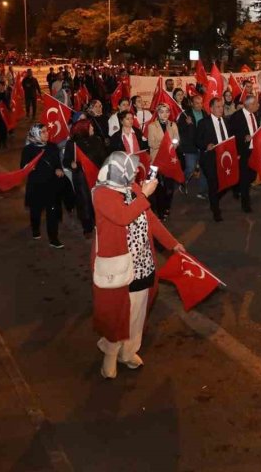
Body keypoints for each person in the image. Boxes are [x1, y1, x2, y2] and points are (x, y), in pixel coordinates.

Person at [91, 152, 184, 379]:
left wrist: (172, 244)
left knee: (137, 311)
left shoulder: (131, 188)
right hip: (117, 264)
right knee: (117, 312)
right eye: (130, 170)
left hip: (142, 262)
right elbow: (122, 216)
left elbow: (150, 219)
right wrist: (144, 194)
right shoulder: (101, 193)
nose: (134, 174)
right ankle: (111, 355)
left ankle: (128, 351)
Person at [22, 124, 66, 248]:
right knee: (35, 211)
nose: (46, 133)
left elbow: (57, 163)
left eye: (47, 131)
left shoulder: (52, 147)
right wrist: (29, 168)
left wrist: (58, 169)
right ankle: (35, 229)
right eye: (42, 132)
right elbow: (23, 167)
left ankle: (53, 238)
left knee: (52, 211)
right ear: (35, 134)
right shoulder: (28, 150)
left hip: (51, 185)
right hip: (36, 186)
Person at [63, 119, 107, 237]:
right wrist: (71, 163)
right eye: (90, 127)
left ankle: (100, 222)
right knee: (84, 202)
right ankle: (87, 226)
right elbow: (65, 161)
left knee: (98, 200)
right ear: (83, 129)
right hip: (81, 178)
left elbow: (104, 157)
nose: (93, 128)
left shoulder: (97, 140)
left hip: (97, 175)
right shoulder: (72, 144)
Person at [196, 97, 230, 222]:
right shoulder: (203, 123)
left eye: (222, 106)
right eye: (218, 107)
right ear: (211, 109)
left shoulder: (226, 121)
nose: (221, 109)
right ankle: (216, 210)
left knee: (228, 184)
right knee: (213, 184)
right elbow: (197, 140)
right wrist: (206, 145)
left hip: (225, 159)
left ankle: (213, 198)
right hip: (210, 160)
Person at [144, 103, 180, 221]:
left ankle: (167, 207)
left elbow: (177, 140)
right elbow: (151, 144)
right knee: (157, 188)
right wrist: (166, 144)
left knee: (169, 188)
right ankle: (159, 211)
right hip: (156, 161)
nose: (165, 114)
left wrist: (173, 144)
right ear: (158, 113)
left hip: (170, 160)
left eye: (167, 112)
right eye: (162, 112)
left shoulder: (173, 125)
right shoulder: (152, 126)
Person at [228, 94, 260, 213]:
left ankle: (236, 187)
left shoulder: (254, 115)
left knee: (252, 175)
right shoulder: (237, 116)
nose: (258, 105)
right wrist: (242, 138)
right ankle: (245, 203)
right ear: (250, 105)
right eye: (256, 103)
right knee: (246, 178)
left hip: (254, 151)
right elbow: (231, 134)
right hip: (243, 152)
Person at [177, 94, 206, 197]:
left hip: (202, 146)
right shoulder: (185, 115)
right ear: (192, 104)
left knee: (203, 169)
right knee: (190, 168)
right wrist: (187, 124)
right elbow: (179, 130)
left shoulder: (205, 113)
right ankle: (182, 182)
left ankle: (202, 192)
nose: (199, 105)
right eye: (197, 103)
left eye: (201, 103)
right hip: (190, 147)